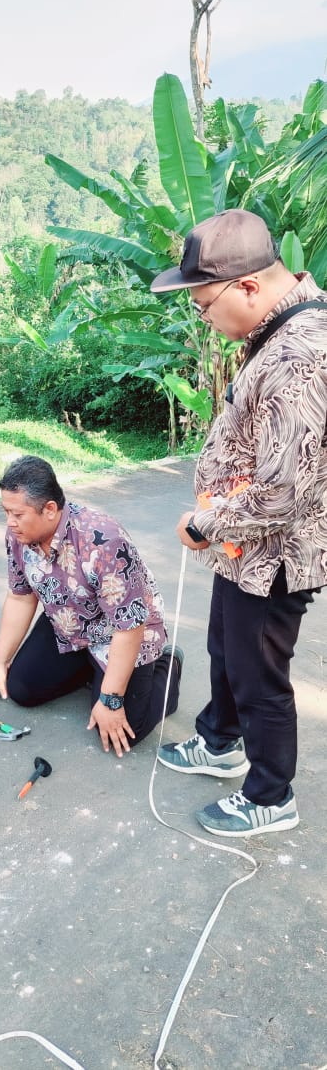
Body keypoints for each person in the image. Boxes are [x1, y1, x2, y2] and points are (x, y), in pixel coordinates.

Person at [151, 208, 327, 838]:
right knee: (225, 648)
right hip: (242, 549)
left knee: (259, 675)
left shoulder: (300, 353)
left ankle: (270, 796)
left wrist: (205, 522)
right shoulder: (274, 327)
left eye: (204, 306)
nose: (203, 318)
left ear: (248, 286)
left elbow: (285, 490)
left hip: (273, 552)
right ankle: (219, 741)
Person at [0, 456, 182, 757]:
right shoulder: (18, 535)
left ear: (50, 509)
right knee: (21, 689)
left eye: (17, 514)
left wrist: (111, 700)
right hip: (69, 622)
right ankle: (92, 668)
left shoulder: (103, 541)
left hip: (123, 633)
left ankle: (168, 666)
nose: (10, 522)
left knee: (124, 729)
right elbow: (21, 596)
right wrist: (0, 661)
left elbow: (129, 627)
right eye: (6, 512)